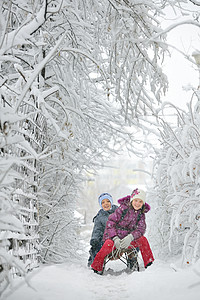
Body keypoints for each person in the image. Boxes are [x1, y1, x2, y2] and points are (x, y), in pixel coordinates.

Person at [91, 188, 154, 274]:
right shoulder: (123, 209)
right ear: (132, 200)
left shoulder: (141, 214)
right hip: (114, 240)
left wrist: (130, 237)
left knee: (143, 240)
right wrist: (115, 238)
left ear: (143, 203)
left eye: (140, 202)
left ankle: (149, 264)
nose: (137, 203)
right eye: (136, 200)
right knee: (107, 244)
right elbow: (110, 223)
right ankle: (96, 267)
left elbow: (141, 229)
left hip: (127, 241)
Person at [87, 192, 118, 267]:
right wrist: (95, 239)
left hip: (120, 238)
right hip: (106, 240)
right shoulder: (100, 217)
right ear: (101, 205)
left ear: (111, 202)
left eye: (108, 201)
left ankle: (132, 260)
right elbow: (97, 230)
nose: (106, 204)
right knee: (96, 246)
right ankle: (95, 264)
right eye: (103, 202)